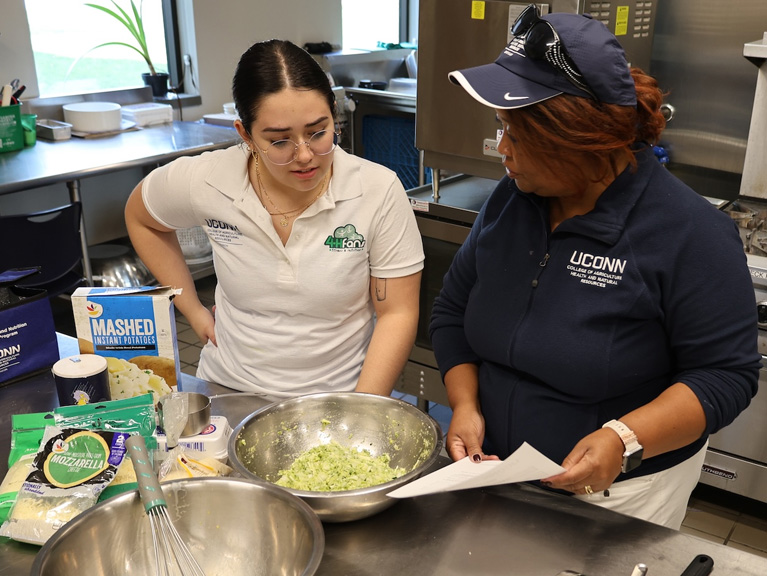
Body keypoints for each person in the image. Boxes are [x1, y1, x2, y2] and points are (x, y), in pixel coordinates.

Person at [429, 5, 760, 529]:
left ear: (581, 139)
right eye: (501, 127)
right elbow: (452, 311)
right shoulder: (509, 203)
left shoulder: (690, 234)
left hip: (620, 496)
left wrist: (623, 438)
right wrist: (465, 404)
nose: (504, 152)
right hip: (493, 472)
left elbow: (726, 375)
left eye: (520, 136)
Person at [125, 39, 424, 398]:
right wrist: (192, 308)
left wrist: (358, 411)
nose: (304, 155)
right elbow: (141, 217)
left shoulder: (376, 190)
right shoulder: (208, 180)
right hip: (226, 389)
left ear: (334, 114)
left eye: (318, 132)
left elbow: (397, 313)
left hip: (335, 398)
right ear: (246, 135)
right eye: (280, 141)